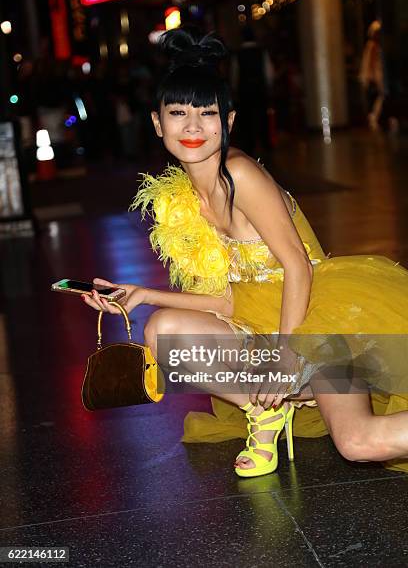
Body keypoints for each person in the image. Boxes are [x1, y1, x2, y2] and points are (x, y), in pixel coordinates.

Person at [82, 28, 408, 478]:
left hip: (323, 326)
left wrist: (286, 358)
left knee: (359, 443)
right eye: (178, 113)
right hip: (265, 326)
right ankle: (267, 412)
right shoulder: (182, 200)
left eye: (207, 113)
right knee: (162, 331)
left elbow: (296, 264)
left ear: (228, 121)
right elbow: (232, 301)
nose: (193, 127)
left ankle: (287, 392)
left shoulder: (240, 173)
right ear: (157, 124)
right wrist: (142, 294)